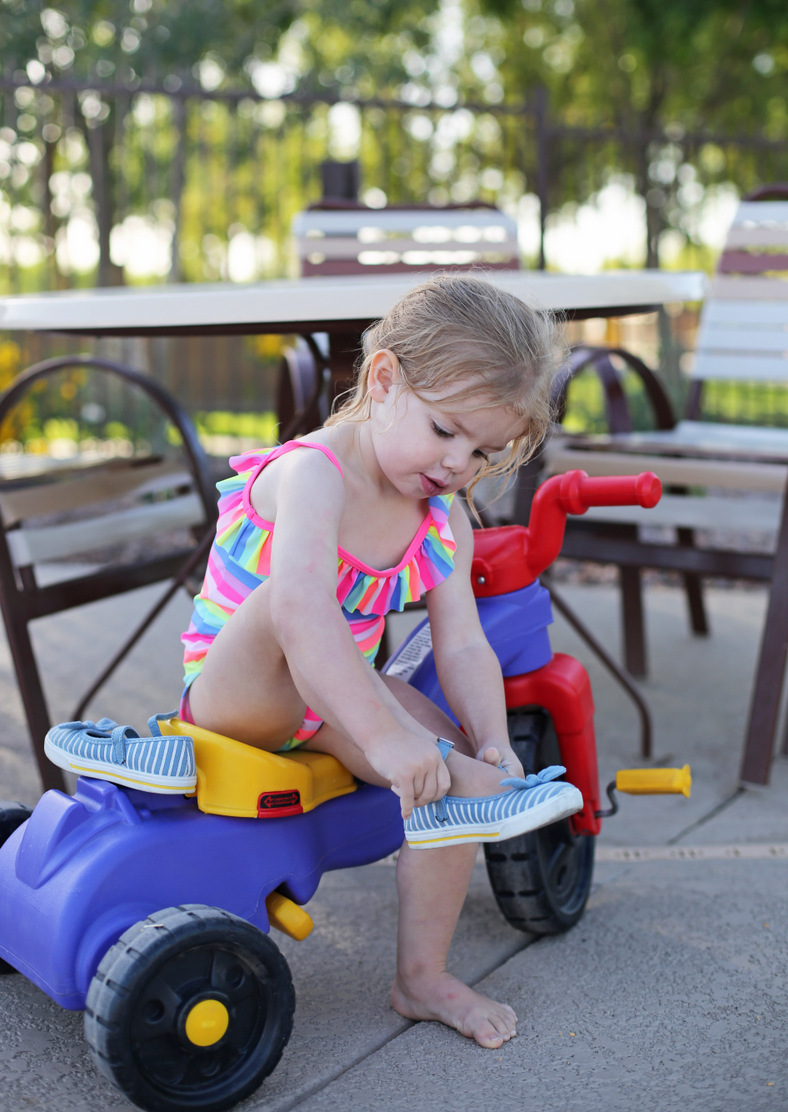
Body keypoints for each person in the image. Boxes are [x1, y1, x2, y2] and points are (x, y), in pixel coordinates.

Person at [178, 274, 581, 1049]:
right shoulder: (313, 474)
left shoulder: (441, 517)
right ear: (384, 378)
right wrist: (391, 737)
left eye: (483, 451)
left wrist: (490, 739)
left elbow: (462, 641)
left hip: (337, 701)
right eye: (443, 431)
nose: (459, 463)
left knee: (459, 768)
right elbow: (298, 612)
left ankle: (421, 978)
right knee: (289, 600)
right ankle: (431, 761)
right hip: (241, 696)